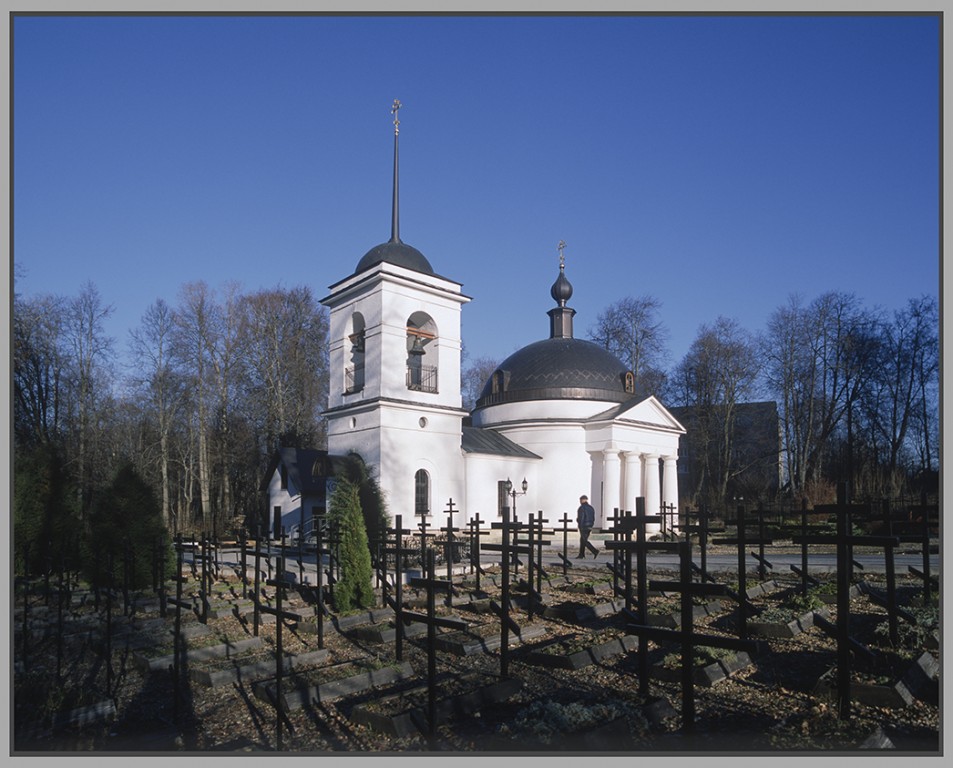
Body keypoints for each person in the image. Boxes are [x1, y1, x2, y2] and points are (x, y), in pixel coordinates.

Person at [576, 494, 599, 559]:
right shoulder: (591, 508)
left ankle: (595, 551)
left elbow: (581, 518)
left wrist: (579, 524)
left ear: (582, 500)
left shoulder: (581, 508)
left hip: (583, 526)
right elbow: (593, 517)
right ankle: (581, 554)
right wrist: (591, 524)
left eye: (580, 500)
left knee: (584, 540)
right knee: (582, 540)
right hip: (589, 526)